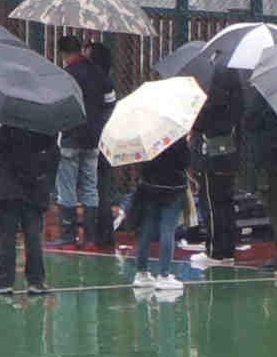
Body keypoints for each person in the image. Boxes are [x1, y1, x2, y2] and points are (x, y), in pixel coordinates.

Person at [0, 118, 58, 298]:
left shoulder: (7, 127)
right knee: (33, 236)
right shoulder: (45, 128)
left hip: (8, 190)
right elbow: (53, 157)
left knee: (7, 236)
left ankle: (4, 282)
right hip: (35, 189)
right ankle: (36, 282)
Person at [57, 36, 115, 249]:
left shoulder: (66, 75)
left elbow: (59, 105)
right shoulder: (99, 74)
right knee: (91, 187)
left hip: (71, 136)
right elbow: (111, 103)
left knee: (67, 186)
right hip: (94, 139)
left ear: (63, 53)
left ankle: (68, 236)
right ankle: (90, 238)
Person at [125, 131, 199, 297]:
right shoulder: (175, 136)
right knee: (168, 230)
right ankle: (164, 275)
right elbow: (185, 162)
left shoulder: (146, 137)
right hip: (172, 189)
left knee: (146, 229)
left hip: (149, 187)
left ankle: (141, 273)